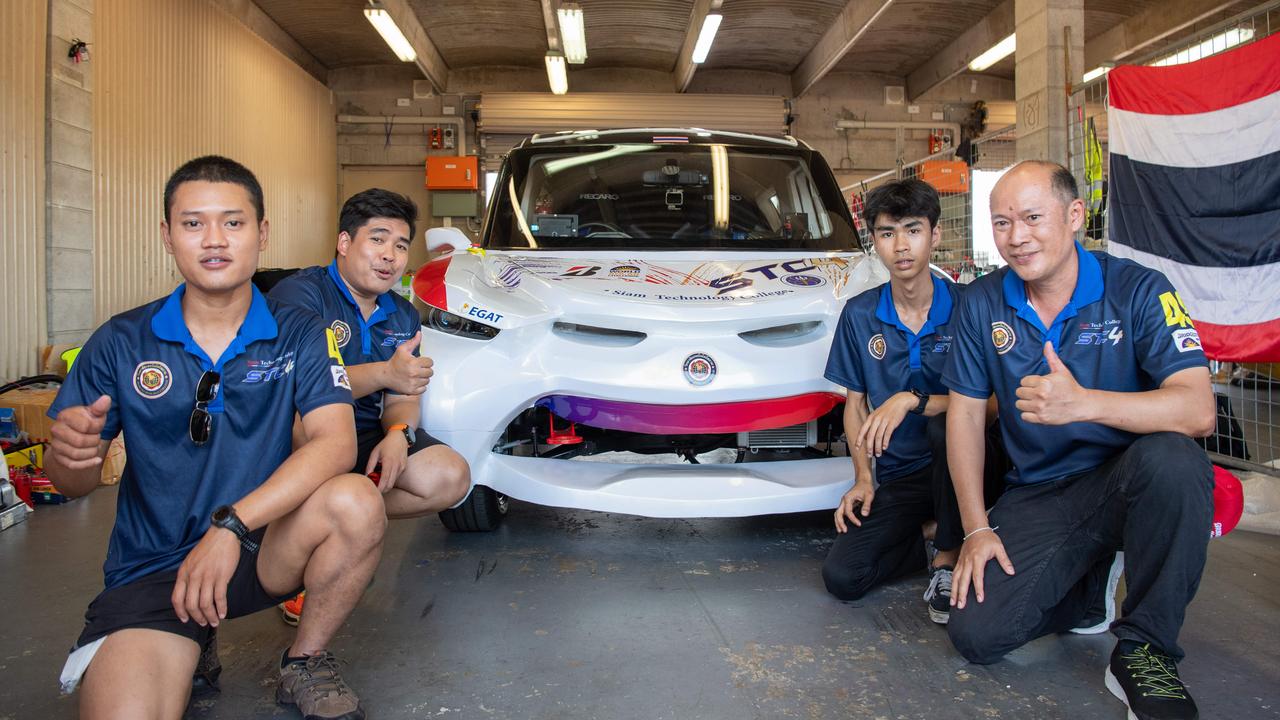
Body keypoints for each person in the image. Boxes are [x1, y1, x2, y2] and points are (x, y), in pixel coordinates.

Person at [45, 156, 385, 720]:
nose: (214, 240)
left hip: (260, 547)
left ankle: (304, 661)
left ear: (262, 233)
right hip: (155, 570)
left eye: (233, 222)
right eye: (192, 223)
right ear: (167, 236)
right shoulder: (121, 340)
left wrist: (230, 527)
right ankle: (192, 641)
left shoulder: (299, 332)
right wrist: (70, 459)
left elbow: (335, 445)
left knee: (355, 500)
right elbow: (72, 485)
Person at [943, 161, 1216, 720]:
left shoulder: (1138, 289)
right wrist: (975, 527)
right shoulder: (981, 303)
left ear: (1074, 216)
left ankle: (1144, 650)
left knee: (1176, 458)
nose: (1016, 237)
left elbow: (1198, 408)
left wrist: (1084, 404)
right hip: (1038, 491)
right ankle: (1089, 590)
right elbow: (966, 417)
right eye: (1001, 223)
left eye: (1031, 218)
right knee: (978, 635)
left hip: (1127, 479)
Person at [268, 188, 471, 623]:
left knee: (450, 478)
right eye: (377, 239)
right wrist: (384, 374)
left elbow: (402, 395)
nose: (390, 256)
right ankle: (322, 549)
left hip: (367, 430)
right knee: (309, 429)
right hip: (305, 429)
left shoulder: (401, 314)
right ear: (345, 243)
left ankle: (343, 537)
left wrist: (400, 434)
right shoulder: (299, 298)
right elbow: (300, 388)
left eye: (400, 245)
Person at [822, 179, 1003, 624]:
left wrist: (911, 400)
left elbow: (993, 406)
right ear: (875, 243)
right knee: (843, 576)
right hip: (902, 477)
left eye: (913, 230)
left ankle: (946, 555)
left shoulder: (969, 308)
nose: (901, 246)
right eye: (887, 233)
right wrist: (864, 478)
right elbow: (855, 406)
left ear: (935, 235)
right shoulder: (860, 314)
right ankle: (930, 534)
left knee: (946, 426)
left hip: (973, 470)